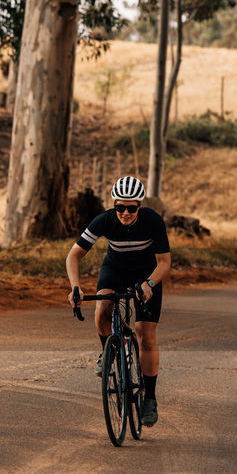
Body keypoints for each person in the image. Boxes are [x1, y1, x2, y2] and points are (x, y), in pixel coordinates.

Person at [66, 176, 171, 426]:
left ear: (140, 204)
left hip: (147, 274)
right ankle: (107, 350)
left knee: (144, 332)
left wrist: (149, 284)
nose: (125, 213)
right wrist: (75, 288)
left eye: (131, 208)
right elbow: (73, 255)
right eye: (120, 207)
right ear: (113, 204)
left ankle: (150, 399)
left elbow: (165, 263)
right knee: (102, 306)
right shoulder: (104, 220)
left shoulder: (153, 221)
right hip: (115, 268)